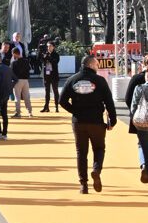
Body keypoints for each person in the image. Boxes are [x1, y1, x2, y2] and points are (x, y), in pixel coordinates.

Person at [58, 54, 117, 193]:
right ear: (90, 65)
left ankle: (83, 185)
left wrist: (74, 111)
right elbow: (109, 102)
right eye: (96, 64)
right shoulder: (100, 80)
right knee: (99, 148)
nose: (98, 67)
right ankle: (96, 170)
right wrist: (112, 120)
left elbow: (61, 101)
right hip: (96, 121)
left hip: (79, 122)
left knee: (81, 153)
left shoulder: (72, 79)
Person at [127, 64, 148, 185]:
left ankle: (144, 165)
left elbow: (133, 105)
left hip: (142, 122)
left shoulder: (139, 88)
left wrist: (134, 118)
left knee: (142, 144)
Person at [10, 34, 34, 118]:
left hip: (17, 81)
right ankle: (30, 112)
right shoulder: (26, 61)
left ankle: (18, 113)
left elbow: (12, 73)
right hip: (25, 80)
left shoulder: (14, 63)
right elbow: (29, 70)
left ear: (14, 53)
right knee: (27, 97)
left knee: (17, 97)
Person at [41, 40, 61, 112]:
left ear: (53, 47)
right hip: (47, 75)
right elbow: (41, 61)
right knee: (47, 91)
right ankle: (46, 106)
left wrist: (48, 57)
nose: (49, 47)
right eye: (48, 46)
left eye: (50, 46)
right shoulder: (45, 54)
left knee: (55, 91)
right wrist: (42, 56)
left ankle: (56, 106)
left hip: (54, 75)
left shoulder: (56, 55)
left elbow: (55, 62)